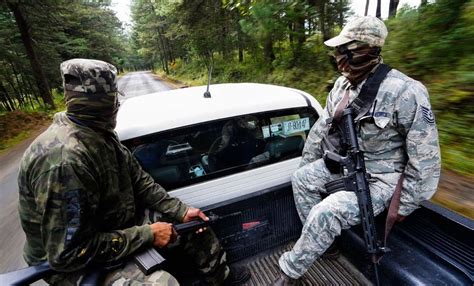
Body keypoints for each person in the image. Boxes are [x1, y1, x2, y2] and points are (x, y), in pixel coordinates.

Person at [18, 59, 250, 285]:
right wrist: (147, 234)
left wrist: (180, 211)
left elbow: (139, 180)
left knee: (195, 227)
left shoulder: (98, 133)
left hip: (112, 227)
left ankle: (221, 277)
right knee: (163, 283)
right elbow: (67, 253)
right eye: (113, 101)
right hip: (74, 264)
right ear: (107, 106)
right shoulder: (64, 163)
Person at [273, 16, 441, 285]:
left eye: (346, 51)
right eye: (338, 51)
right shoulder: (341, 86)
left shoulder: (406, 92)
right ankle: (323, 244)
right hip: (345, 165)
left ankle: (289, 273)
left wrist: (404, 205)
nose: (339, 58)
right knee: (301, 180)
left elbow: (426, 158)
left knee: (327, 211)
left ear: (368, 51)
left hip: (380, 181)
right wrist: (307, 165)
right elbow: (321, 129)